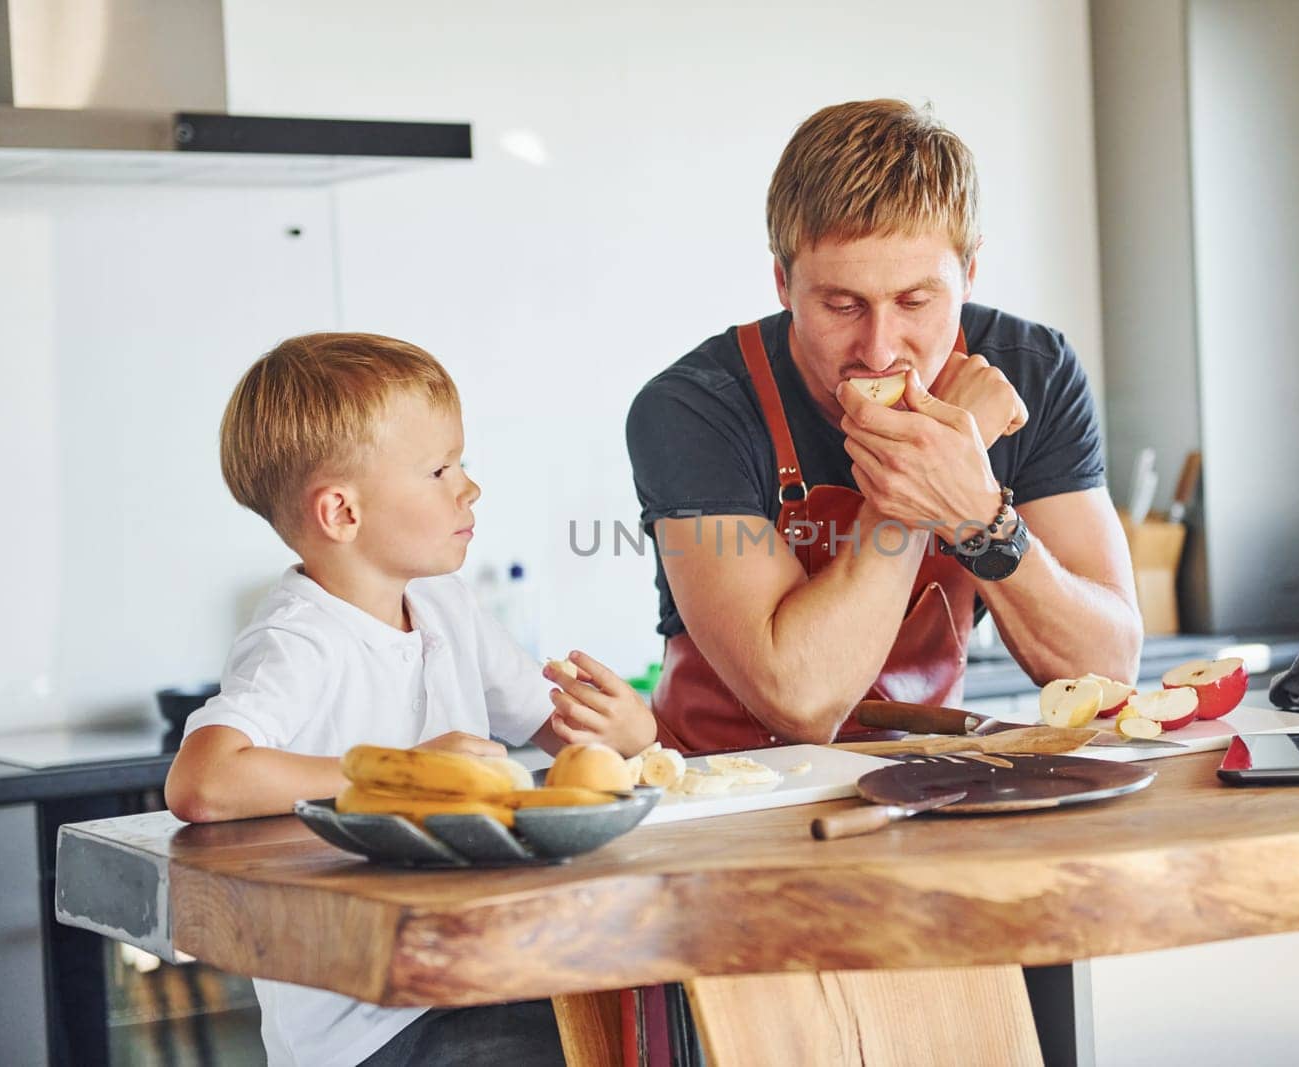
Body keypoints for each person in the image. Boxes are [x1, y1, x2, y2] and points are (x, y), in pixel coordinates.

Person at [165, 332, 656, 1067]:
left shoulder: (443, 603)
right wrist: (401, 771)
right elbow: (202, 780)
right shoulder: (301, 638)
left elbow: (558, 730)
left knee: (655, 1011)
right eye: (438, 469)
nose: (470, 487)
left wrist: (625, 728)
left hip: (473, 969)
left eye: (462, 462)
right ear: (340, 513)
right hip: (375, 1025)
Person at [626, 99, 1142, 753]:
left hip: (924, 789)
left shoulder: (1035, 375)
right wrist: (924, 476)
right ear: (783, 282)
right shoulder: (694, 408)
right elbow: (801, 701)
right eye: (842, 305)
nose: (879, 349)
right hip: (732, 801)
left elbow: (1106, 671)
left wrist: (983, 515)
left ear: (970, 272)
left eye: (915, 301)